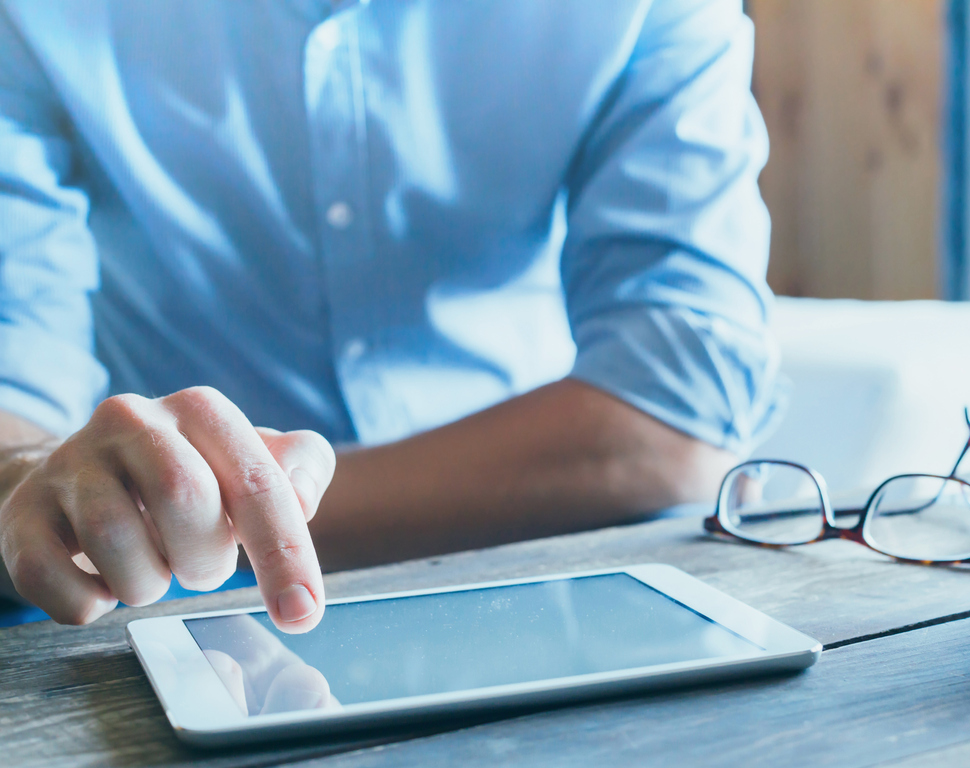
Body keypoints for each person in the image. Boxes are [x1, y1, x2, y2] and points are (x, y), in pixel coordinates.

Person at [0, 0, 782, 631]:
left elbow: (674, 421)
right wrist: (33, 483)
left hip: (541, 582)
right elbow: (15, 367)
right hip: (157, 606)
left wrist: (225, 512)